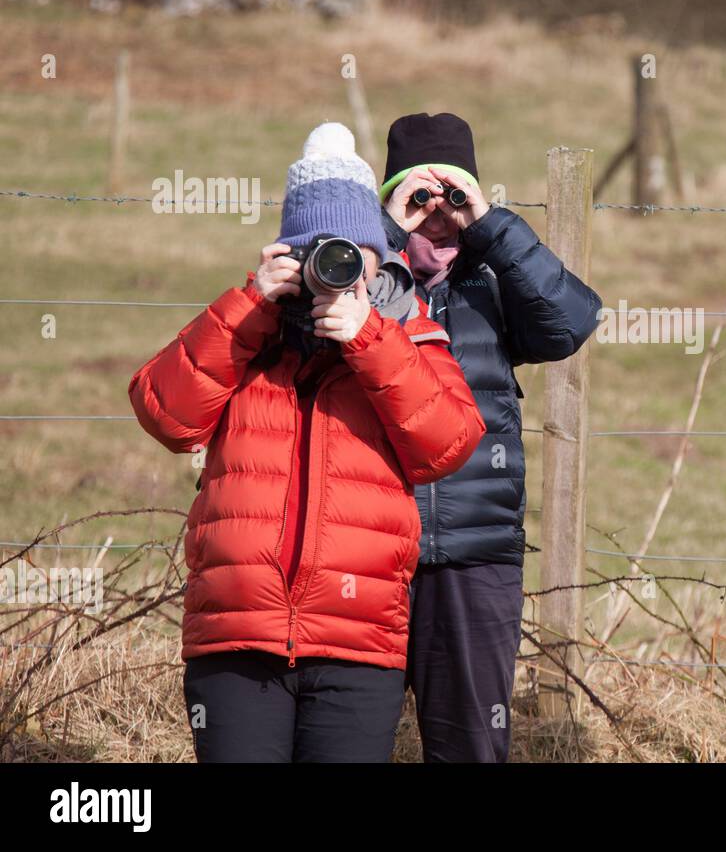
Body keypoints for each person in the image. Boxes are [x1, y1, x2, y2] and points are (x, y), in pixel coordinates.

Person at [128, 122, 485, 762]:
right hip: (238, 638)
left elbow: (448, 444)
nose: (336, 271)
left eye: (353, 254)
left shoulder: (407, 331)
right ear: (286, 253)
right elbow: (166, 415)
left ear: (380, 257)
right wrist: (250, 306)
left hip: (358, 640)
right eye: (317, 252)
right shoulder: (250, 334)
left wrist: (369, 339)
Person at [377, 112, 601, 762]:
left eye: (453, 197)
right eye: (419, 199)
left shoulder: (495, 281)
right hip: (371, 549)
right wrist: (384, 231)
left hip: (477, 556)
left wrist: (493, 226)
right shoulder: (361, 277)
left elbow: (570, 323)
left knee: (471, 745)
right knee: (350, 740)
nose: (437, 215)